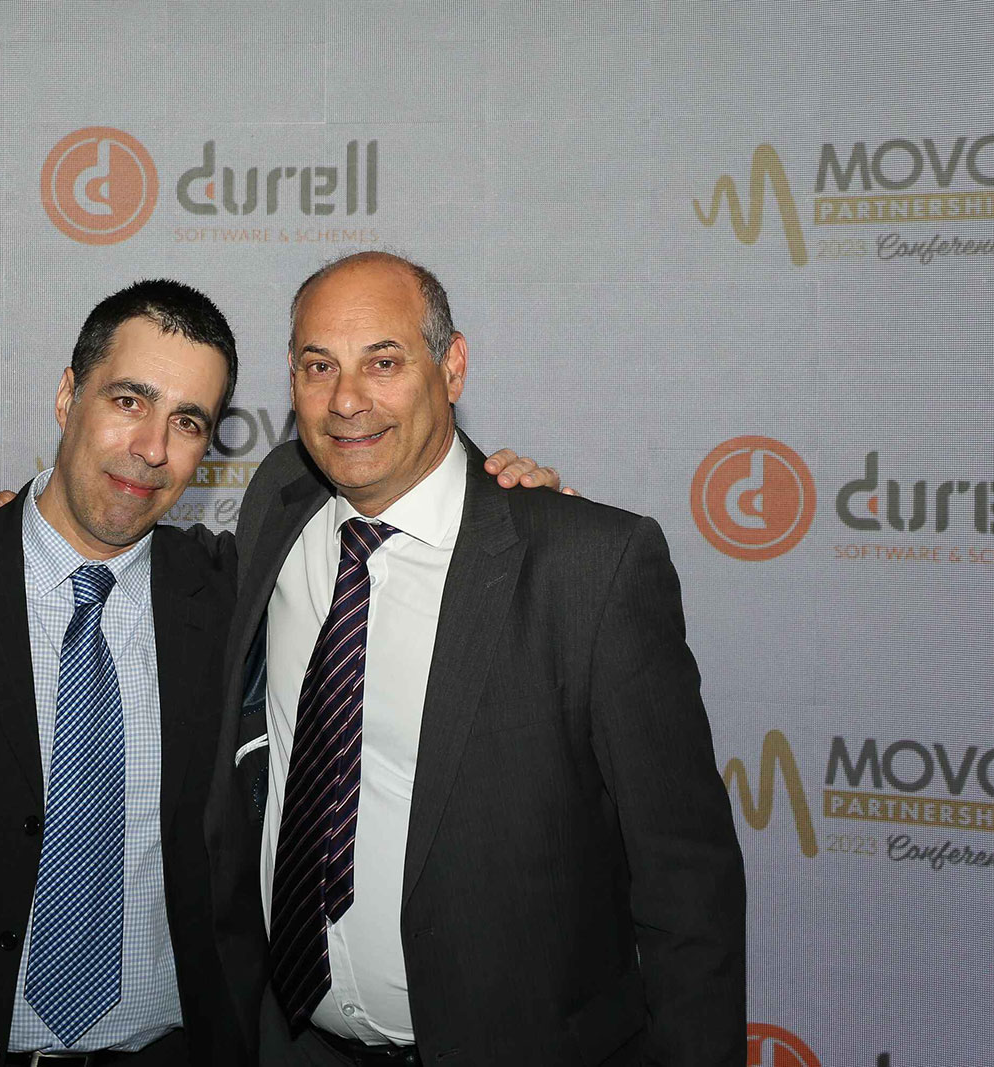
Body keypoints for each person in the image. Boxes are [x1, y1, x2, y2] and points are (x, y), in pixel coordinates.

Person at [0, 277, 562, 1067]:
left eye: (188, 421)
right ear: (68, 395)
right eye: (128, 401)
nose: (151, 449)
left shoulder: (233, 593)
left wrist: (509, 503)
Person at [203, 252, 747, 1066]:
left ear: (452, 366)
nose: (346, 400)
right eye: (319, 367)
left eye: (383, 362)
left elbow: (687, 882)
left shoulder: (585, 565)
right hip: (291, 1042)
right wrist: (15, 524)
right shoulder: (281, 496)